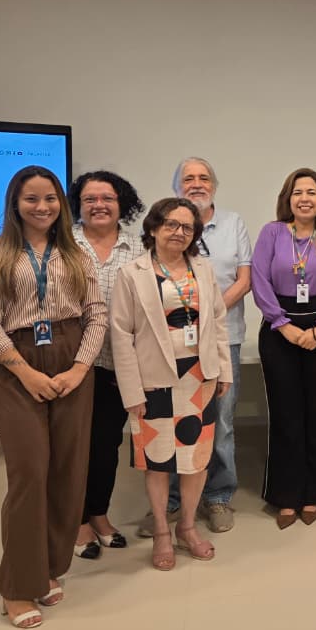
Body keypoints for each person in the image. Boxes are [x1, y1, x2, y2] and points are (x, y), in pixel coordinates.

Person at [0, 166, 107, 629]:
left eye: (50, 198)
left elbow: (96, 314)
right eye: (31, 199)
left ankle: (46, 568)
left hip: (72, 358)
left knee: (67, 472)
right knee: (30, 472)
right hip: (16, 362)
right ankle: (16, 586)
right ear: (15, 203)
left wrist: (80, 368)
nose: (42, 207)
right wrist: (26, 373)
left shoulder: (77, 254)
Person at [111, 198, 232, 570]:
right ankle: (162, 530)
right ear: (153, 227)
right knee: (159, 460)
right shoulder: (132, 273)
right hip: (154, 382)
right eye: (171, 224)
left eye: (187, 227)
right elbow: (121, 335)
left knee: (196, 460)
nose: (179, 232)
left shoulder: (203, 269)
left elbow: (218, 322)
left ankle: (187, 527)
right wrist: (131, 391)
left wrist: (224, 370)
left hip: (199, 378)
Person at [137, 157, 251, 537]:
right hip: (169, 348)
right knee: (171, 422)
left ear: (214, 186)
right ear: (177, 186)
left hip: (221, 339)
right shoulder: (166, 226)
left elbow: (245, 279)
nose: (197, 183)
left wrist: (207, 316)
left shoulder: (233, 223)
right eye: (188, 178)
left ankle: (218, 496)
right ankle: (171, 502)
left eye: (204, 178)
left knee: (220, 422)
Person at [252, 168, 316, 528]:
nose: (305, 198)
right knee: (286, 414)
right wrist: (284, 326)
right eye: (298, 192)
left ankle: (314, 492)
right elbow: (259, 279)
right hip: (280, 329)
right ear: (288, 199)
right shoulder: (272, 233)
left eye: (312, 192)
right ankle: (286, 494)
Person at [67, 171, 145, 560]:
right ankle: (76, 520)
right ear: (78, 205)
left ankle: (99, 513)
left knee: (107, 444)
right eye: (90, 199)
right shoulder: (63, 245)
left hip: (118, 363)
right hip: (71, 364)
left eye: (107, 198)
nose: (99, 205)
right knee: (73, 445)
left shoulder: (139, 249)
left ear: (121, 203)